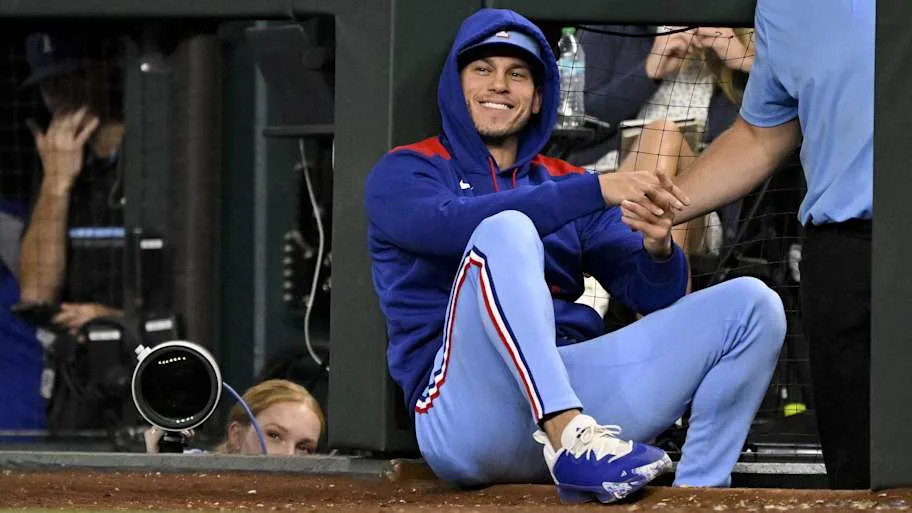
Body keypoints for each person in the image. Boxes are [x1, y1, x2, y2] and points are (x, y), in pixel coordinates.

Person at [364, 8, 786, 504]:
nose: (499, 85)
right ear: (456, 85)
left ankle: (697, 493)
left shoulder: (564, 179)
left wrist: (657, 247)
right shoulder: (407, 170)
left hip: (583, 396)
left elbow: (655, 293)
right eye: (482, 69)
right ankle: (568, 436)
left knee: (752, 305)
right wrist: (594, 189)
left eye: (517, 74)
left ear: (540, 95)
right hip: (467, 414)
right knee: (506, 229)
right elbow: (446, 227)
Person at [672, 0, 873, 489]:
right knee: (859, 473)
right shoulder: (786, 8)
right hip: (847, 256)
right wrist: (664, 208)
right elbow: (762, 135)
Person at [17, 32, 125, 338]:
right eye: (48, 85)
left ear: (101, 72)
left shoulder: (153, 153)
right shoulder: (55, 163)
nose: (60, 94)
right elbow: (37, 293)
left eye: (71, 77)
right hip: (78, 363)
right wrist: (56, 184)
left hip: (150, 351)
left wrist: (117, 318)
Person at [145, 379, 325, 455]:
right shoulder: (192, 471)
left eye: (304, 448)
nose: (289, 456)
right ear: (236, 435)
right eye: (274, 435)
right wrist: (157, 465)